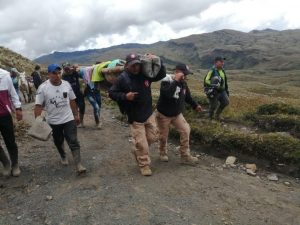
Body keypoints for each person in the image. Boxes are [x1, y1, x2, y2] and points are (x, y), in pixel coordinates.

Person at [109, 53, 166, 176]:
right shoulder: (122, 78)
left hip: (148, 113)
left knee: (153, 138)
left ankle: (137, 150)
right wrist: (125, 96)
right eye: (133, 65)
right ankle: (144, 165)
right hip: (135, 117)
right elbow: (111, 93)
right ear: (127, 66)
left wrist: (158, 60)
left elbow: (161, 75)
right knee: (143, 145)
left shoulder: (144, 74)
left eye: (138, 65)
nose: (136, 68)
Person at [34, 64, 86, 174]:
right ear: (49, 74)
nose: (57, 75)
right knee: (58, 141)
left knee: (73, 141)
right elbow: (38, 106)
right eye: (54, 73)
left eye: (59, 73)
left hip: (68, 119)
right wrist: (38, 122)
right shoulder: (43, 88)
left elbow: (72, 100)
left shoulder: (66, 84)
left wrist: (76, 115)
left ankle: (78, 164)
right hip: (53, 121)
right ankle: (63, 154)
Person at [156, 63, 202, 164]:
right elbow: (167, 94)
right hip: (164, 114)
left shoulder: (183, 83)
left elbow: (187, 97)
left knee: (186, 130)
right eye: (184, 74)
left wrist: (195, 105)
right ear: (177, 72)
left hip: (177, 114)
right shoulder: (166, 81)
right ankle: (162, 152)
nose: (185, 76)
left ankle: (185, 156)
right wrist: (176, 81)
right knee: (163, 136)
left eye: (186, 74)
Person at [0, 68, 23, 177]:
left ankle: (15, 164)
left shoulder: (4, 75)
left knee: (10, 141)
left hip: (4, 115)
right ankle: (6, 163)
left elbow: (13, 93)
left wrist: (18, 108)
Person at [62, 63, 85, 128]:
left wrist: (75, 68)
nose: (67, 70)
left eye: (68, 68)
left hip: (78, 93)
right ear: (64, 69)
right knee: (73, 108)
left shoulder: (74, 72)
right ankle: (76, 121)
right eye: (66, 69)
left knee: (82, 107)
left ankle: (81, 121)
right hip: (70, 96)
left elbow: (78, 69)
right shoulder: (63, 76)